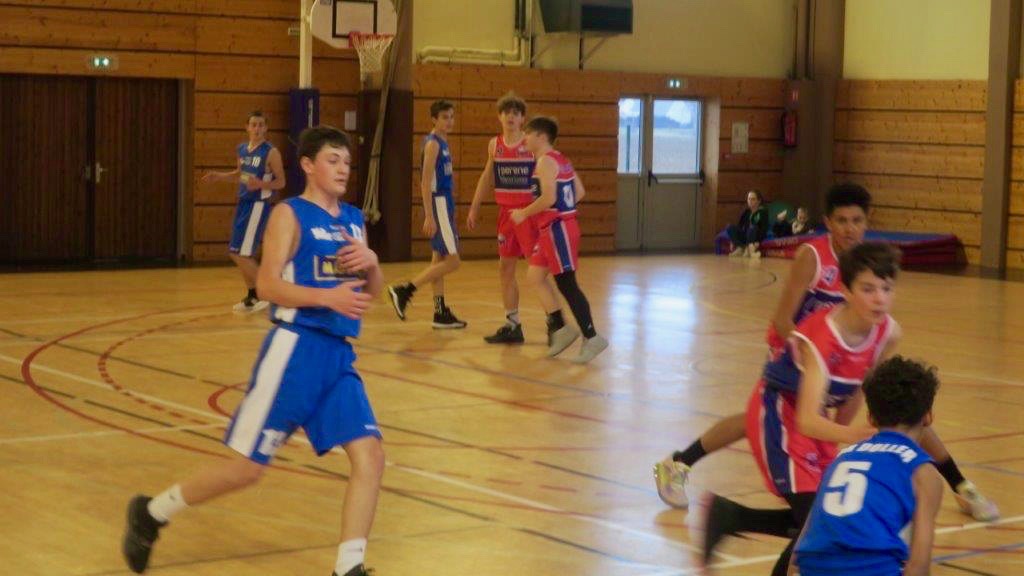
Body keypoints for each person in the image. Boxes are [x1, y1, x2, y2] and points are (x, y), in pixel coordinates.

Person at [122, 126, 383, 576]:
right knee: (246, 469)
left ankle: (349, 567)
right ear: (308, 165)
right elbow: (266, 285)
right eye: (333, 160)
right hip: (294, 352)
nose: (343, 168)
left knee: (371, 456)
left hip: (338, 357)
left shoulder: (354, 219)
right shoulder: (290, 214)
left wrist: (374, 264)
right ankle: (151, 513)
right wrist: (326, 298)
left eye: (346, 161)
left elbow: (369, 294)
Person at [654, 183, 997, 522]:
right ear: (828, 222)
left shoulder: (868, 268)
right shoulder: (813, 257)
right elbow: (782, 319)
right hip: (797, 350)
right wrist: (808, 354)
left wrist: (838, 427)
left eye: (857, 220)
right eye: (842, 221)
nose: (850, 229)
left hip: (838, 354)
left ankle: (960, 484)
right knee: (763, 417)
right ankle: (681, 464)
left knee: (902, 410)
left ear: (867, 222)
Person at [693, 242, 903, 575]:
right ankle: (732, 519)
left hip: (816, 420)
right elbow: (805, 420)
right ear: (845, 291)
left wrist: (840, 440)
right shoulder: (822, 338)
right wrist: (855, 435)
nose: (879, 298)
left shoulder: (888, 332)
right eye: (868, 289)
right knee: (815, 523)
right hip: (779, 411)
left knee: (826, 514)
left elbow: (859, 388)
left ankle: (731, 517)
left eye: (886, 289)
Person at [790, 356, 943, 576]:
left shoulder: (842, 459)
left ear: (871, 418)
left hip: (811, 568)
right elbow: (918, 566)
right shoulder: (923, 473)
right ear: (928, 417)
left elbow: (799, 551)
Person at [467, 92, 565, 345]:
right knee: (505, 268)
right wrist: (474, 207)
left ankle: (555, 323)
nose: (510, 117)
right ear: (499, 117)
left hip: (529, 214)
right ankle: (513, 325)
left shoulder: (530, 145)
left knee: (537, 272)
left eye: (516, 113)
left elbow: (550, 172)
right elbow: (487, 177)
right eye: (506, 112)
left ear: (523, 119)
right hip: (506, 215)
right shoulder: (494, 145)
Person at [511, 116, 608, 363]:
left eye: (528, 134)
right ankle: (561, 328)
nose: (524, 138)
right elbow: (580, 192)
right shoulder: (561, 159)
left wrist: (524, 213)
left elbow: (549, 198)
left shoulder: (545, 161)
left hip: (558, 230)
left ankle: (592, 336)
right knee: (535, 276)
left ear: (541, 137)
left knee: (567, 284)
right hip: (554, 228)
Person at [388, 100, 467, 329]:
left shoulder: (443, 141)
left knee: (438, 260)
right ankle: (405, 290)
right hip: (439, 203)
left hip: (444, 202)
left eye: (451, 117)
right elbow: (424, 182)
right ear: (434, 119)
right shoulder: (433, 144)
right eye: (444, 117)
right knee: (453, 261)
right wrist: (429, 215)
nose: (449, 121)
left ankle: (440, 313)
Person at [201, 110, 286, 313]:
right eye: (253, 124)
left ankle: (271, 293)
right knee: (239, 252)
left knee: (240, 254)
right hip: (244, 204)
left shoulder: (270, 152)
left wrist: (261, 184)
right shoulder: (242, 149)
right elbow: (241, 176)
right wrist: (219, 176)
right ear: (247, 127)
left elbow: (281, 182)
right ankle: (253, 295)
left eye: (261, 125)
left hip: (258, 205)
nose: (257, 128)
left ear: (266, 128)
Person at [726, 190, 769, 258]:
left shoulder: (763, 212)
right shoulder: (746, 212)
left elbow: (764, 229)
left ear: (759, 201)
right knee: (729, 227)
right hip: (746, 235)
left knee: (752, 227)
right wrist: (733, 240)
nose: (750, 201)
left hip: (755, 236)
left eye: (753, 199)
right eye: (749, 199)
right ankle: (741, 248)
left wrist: (758, 241)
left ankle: (748, 249)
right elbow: (739, 226)